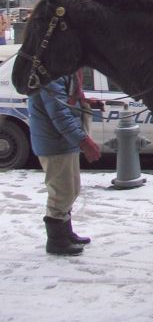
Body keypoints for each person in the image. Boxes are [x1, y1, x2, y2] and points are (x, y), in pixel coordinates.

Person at [28, 71, 101, 256]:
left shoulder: (62, 72)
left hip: (62, 143)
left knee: (71, 189)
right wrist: (84, 141)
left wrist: (85, 103)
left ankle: (65, 233)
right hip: (54, 144)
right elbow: (59, 114)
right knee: (61, 192)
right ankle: (56, 241)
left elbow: (66, 103)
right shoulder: (52, 75)